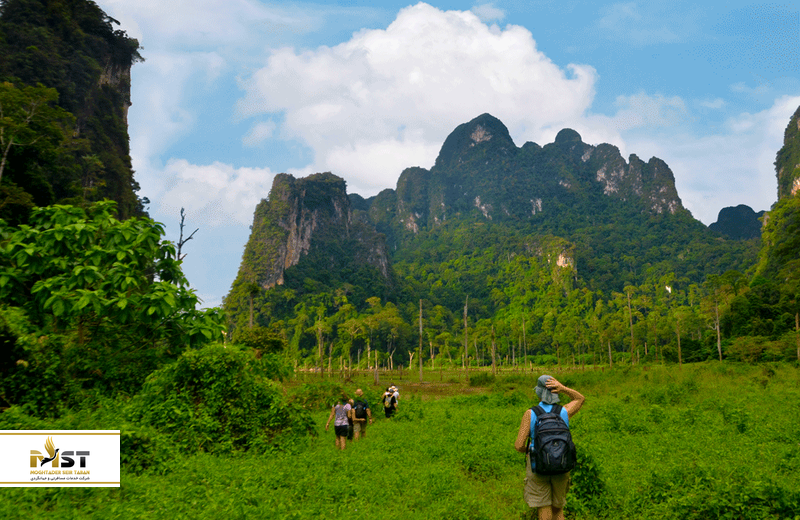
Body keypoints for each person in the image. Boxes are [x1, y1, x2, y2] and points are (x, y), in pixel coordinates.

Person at [514, 375, 585, 520]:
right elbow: (580, 398)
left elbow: (519, 445)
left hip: (538, 466)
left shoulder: (531, 413)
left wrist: (530, 450)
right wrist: (563, 388)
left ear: (539, 392)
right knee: (558, 509)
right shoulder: (564, 411)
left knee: (544, 507)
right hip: (562, 464)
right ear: (555, 391)